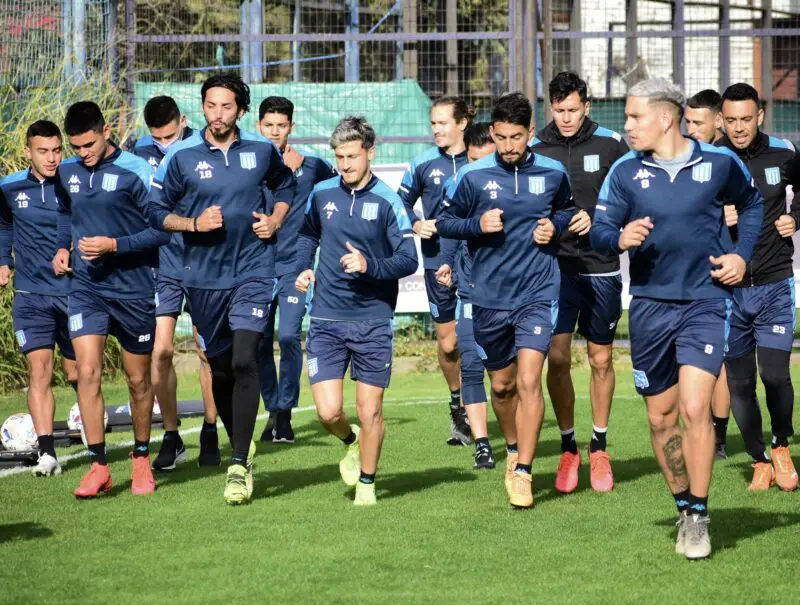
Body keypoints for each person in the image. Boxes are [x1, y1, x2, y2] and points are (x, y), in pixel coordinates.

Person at [591, 78, 763, 560]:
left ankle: (699, 516)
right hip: (648, 308)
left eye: (634, 117)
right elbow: (601, 231)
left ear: (666, 117)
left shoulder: (718, 163)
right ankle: (684, 505)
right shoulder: (624, 172)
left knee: (693, 410)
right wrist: (618, 237)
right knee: (660, 418)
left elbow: (752, 206)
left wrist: (742, 257)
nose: (626, 126)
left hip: (706, 303)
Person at [149, 72, 295, 505]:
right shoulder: (181, 157)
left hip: (253, 269)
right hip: (203, 279)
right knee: (223, 368)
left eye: (226, 106)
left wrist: (276, 220)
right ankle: (241, 445)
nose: (217, 115)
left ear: (241, 111)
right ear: (202, 108)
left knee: (247, 357)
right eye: (210, 106)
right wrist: (192, 223)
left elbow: (285, 186)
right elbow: (156, 210)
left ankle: (237, 464)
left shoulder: (262, 150)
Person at [437, 92, 575, 509]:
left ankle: (525, 471)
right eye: (501, 138)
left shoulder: (553, 172)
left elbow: (569, 212)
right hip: (489, 297)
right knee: (502, 386)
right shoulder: (473, 176)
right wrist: (476, 224)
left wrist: (555, 225)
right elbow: (445, 222)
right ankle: (513, 448)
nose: (510, 146)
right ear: (492, 134)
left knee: (531, 379)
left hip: (538, 292)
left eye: (517, 137)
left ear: (531, 132)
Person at [295, 116, 418, 506]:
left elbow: (407, 259)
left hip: (372, 319)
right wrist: (304, 266)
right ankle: (350, 444)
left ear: (370, 153)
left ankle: (367, 482)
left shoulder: (387, 201)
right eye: (339, 156)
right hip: (327, 319)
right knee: (328, 413)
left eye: (352, 156)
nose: (345, 164)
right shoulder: (321, 193)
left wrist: (370, 267)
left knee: (370, 411)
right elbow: (306, 234)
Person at [54, 101, 171, 497]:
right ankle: (99, 465)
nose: (82, 153)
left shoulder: (137, 171)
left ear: (106, 131)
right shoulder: (67, 171)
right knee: (85, 373)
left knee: (138, 380)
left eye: (89, 144)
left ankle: (140, 460)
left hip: (134, 290)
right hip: (87, 288)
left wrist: (114, 245)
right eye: (76, 147)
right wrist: (62, 247)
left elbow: (161, 232)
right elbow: (64, 214)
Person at [530, 72, 629, 493]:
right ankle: (568, 447)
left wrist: (602, 220)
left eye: (573, 109)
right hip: (553, 268)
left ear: (586, 105)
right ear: (550, 107)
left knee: (602, 359)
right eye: (559, 110)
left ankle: (600, 447)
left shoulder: (611, 145)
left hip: (600, 266)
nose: (566, 118)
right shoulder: (537, 149)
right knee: (556, 357)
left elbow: (633, 199)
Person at [717, 82, 800, 490]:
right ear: (721, 120)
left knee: (774, 375)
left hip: (774, 283)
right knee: (739, 382)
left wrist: (795, 219)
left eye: (745, 119)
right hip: (728, 293)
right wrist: (721, 219)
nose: (738, 127)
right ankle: (759, 460)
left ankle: (781, 445)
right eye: (730, 120)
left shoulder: (784, 152)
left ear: (760, 115)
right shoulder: (711, 160)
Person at [132, 95, 220, 469]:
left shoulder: (206, 148)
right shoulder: (136, 154)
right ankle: (171, 435)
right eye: (158, 139)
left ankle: (211, 430)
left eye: (170, 136)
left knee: (206, 352)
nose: (164, 145)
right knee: (161, 351)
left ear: (184, 122)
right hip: (164, 267)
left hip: (202, 265)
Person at [437, 122, 518, 471]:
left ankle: (516, 444)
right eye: (470, 159)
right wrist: (445, 263)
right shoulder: (462, 183)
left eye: (481, 160)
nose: (475, 168)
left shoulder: (519, 183)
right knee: (469, 364)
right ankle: (482, 444)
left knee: (509, 382)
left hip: (517, 293)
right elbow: (450, 228)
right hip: (472, 290)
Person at [256, 96, 335, 443]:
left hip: (294, 268)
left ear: (291, 127)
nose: (275, 131)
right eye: (268, 125)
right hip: (255, 268)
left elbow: (340, 192)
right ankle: (272, 407)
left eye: (281, 125)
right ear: (259, 126)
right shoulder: (248, 166)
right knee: (257, 341)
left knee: (288, 335)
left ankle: (284, 412)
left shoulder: (313, 167)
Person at [0, 120, 77, 476]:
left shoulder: (75, 184)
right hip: (31, 295)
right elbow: (4, 224)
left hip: (76, 293)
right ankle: (47, 453)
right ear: (28, 152)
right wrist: (3, 260)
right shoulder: (9, 188)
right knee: (39, 370)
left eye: (57, 150)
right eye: (43, 151)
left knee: (79, 373)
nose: (51, 158)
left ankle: (94, 439)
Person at [398, 97, 474, 445]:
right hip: (436, 262)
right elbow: (400, 201)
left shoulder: (481, 158)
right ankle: (457, 406)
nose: (436, 130)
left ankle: (484, 406)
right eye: (433, 123)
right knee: (448, 345)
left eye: (443, 122)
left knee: (481, 338)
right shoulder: (422, 163)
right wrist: (415, 223)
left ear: (462, 123)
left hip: (478, 264)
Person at [685, 88, 733, 460]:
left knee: (728, 362)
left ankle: (722, 433)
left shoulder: (728, 162)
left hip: (736, 272)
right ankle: (713, 435)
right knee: (710, 361)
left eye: (698, 122)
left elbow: (754, 207)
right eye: (688, 121)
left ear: (718, 121)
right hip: (698, 277)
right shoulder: (685, 157)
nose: (691, 128)